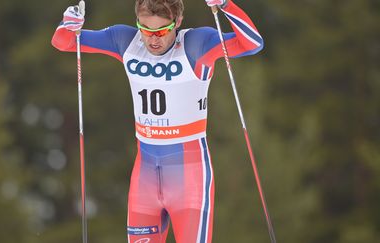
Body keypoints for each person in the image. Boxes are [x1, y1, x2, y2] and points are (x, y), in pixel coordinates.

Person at [52, 0, 263, 242]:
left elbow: (253, 43)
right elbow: (64, 42)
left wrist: (225, 4)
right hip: (145, 178)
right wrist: (68, 23)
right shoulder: (125, 41)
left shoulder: (196, 44)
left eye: (162, 31)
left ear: (178, 22)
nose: (153, 40)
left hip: (190, 180)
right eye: (146, 30)